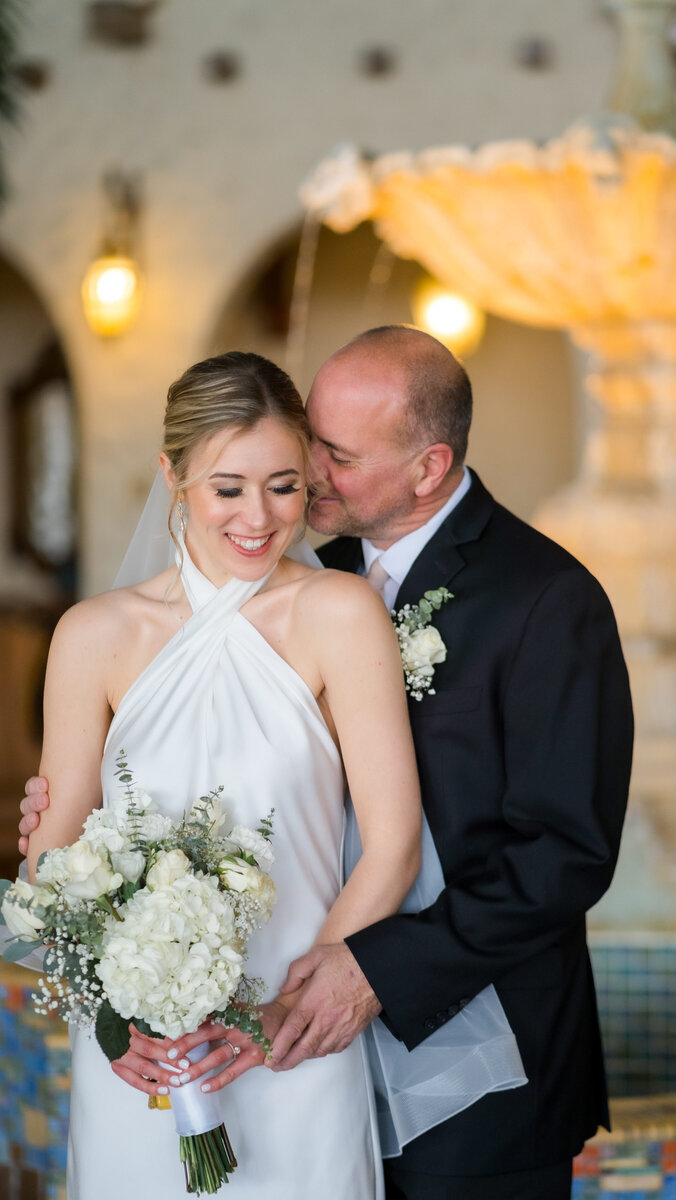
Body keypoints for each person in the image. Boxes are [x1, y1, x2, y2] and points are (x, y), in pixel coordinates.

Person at [21, 327, 634, 1200]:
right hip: (181, 1039)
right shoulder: (284, 570)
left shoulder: (541, 599)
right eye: (243, 480)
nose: (284, 500)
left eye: (314, 466)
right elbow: (58, 861)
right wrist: (113, 988)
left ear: (426, 468)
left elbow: (560, 855)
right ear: (175, 477)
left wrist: (346, 975)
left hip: (458, 1040)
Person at [22, 351, 425, 1200]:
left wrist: (288, 1010)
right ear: (173, 476)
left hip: (295, 1043)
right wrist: (109, 1014)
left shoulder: (339, 617)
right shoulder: (92, 634)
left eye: (284, 485)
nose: (259, 516)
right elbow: (52, 869)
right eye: (227, 488)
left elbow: (392, 849)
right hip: (145, 1057)